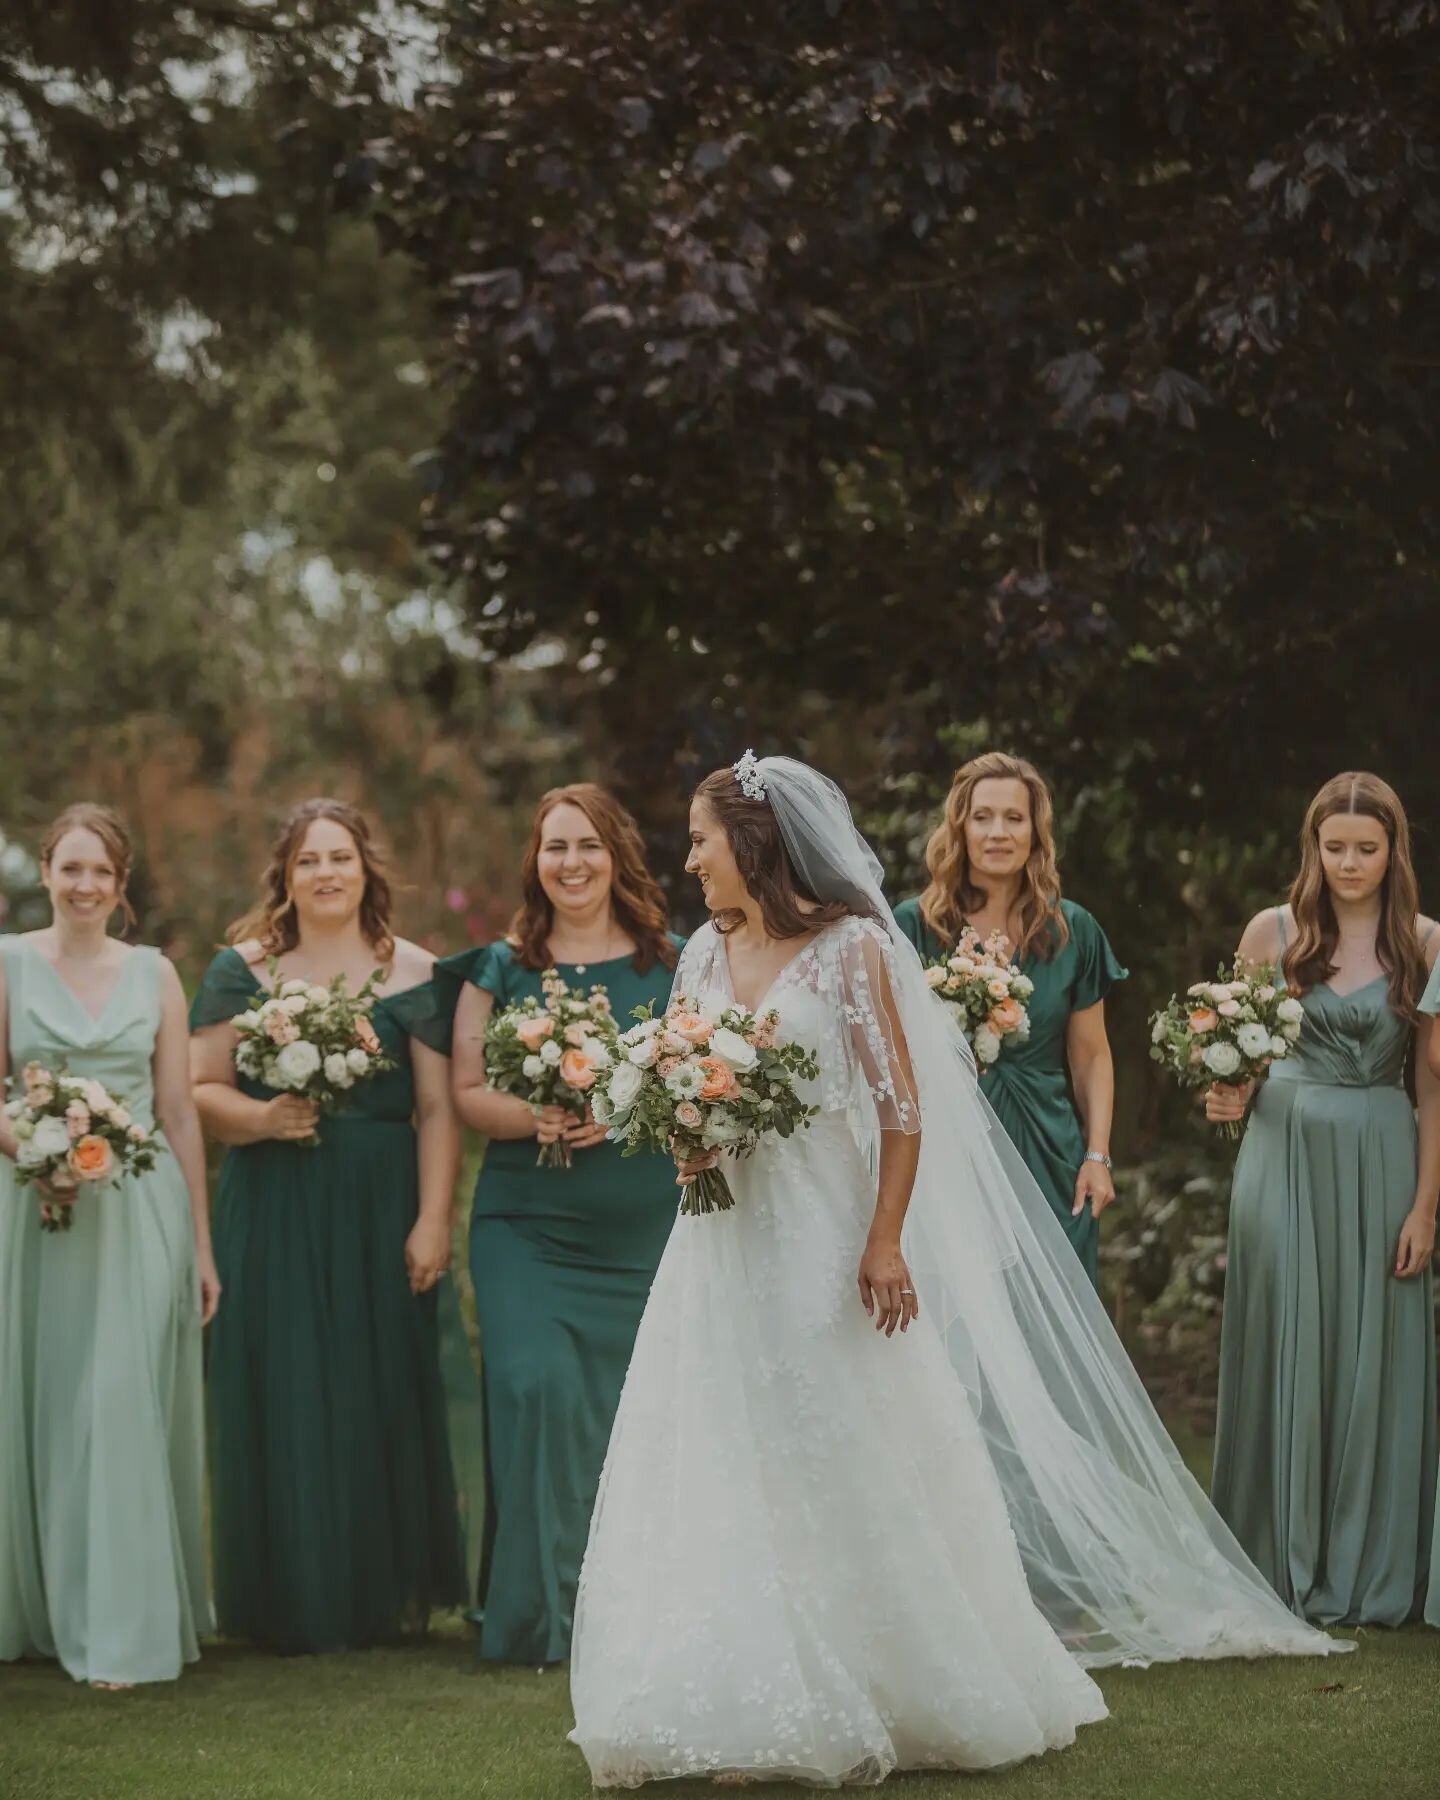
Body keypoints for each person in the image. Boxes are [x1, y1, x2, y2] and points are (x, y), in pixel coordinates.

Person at [569, 755, 1341, 1789]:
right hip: (718, 1240)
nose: (691, 856)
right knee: (718, 1438)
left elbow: (897, 1108)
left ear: (753, 845)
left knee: (840, 1437)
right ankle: (737, 1682)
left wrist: (884, 1240)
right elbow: (683, 1077)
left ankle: (890, 1676)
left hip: (824, 1227)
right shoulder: (703, 951)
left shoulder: (851, 952)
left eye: (702, 837)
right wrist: (687, 1139)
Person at [190, 798, 465, 1652]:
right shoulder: (242, 970)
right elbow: (200, 1091)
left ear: (365, 868)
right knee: (287, 1384)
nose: (327, 874)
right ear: (286, 875)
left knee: (373, 1384)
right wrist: (260, 1120)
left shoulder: (416, 971)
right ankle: (286, 1599)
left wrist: (431, 1220)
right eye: (309, 861)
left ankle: (377, 1596)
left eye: (340, 857)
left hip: (379, 1203)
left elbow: (436, 1108)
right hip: (273, 1200)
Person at [442, 783, 682, 1664]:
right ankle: (540, 1615)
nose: (571, 863)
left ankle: (639, 1608)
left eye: (586, 845)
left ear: (616, 854)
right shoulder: (499, 967)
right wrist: (533, 1116)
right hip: (525, 1224)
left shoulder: (675, 961)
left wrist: (625, 1109)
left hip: (643, 1227)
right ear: (534, 862)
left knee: (637, 1412)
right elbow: (468, 1091)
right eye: (554, 848)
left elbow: (701, 1071)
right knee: (535, 1388)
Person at [1207, 772, 1439, 1624]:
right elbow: (1237, 1054)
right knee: (1286, 1335)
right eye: (1334, 847)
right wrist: (1223, 1094)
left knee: (1369, 1348)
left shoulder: (1426, 942)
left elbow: (1433, 1084)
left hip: (1381, 1147)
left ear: (1393, 852)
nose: (1348, 863)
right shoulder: (1273, 933)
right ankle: (1274, 1551)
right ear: (1313, 848)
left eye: (1366, 849)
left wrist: (1425, 1206)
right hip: (1282, 1146)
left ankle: (1364, 1560)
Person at [0, 803, 216, 1688]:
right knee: (51, 1406)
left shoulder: (155, 973)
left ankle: (123, 1629)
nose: (83, 885)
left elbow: (177, 1113)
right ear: (46, 873)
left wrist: (201, 1245)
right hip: (36, 1213)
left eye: (101, 872)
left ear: (120, 888)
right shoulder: (7, 963)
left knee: (119, 1403)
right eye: (69, 868)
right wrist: (36, 1151)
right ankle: (46, 1608)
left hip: (139, 1209)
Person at [894, 752, 1125, 1284]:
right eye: (983, 817)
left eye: (1014, 818)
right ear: (961, 829)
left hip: (1051, 1149)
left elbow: (1091, 1053)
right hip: (950, 1152)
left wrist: (1097, 1155)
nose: (998, 832)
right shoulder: (915, 926)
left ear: (1035, 832)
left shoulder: (1073, 930)